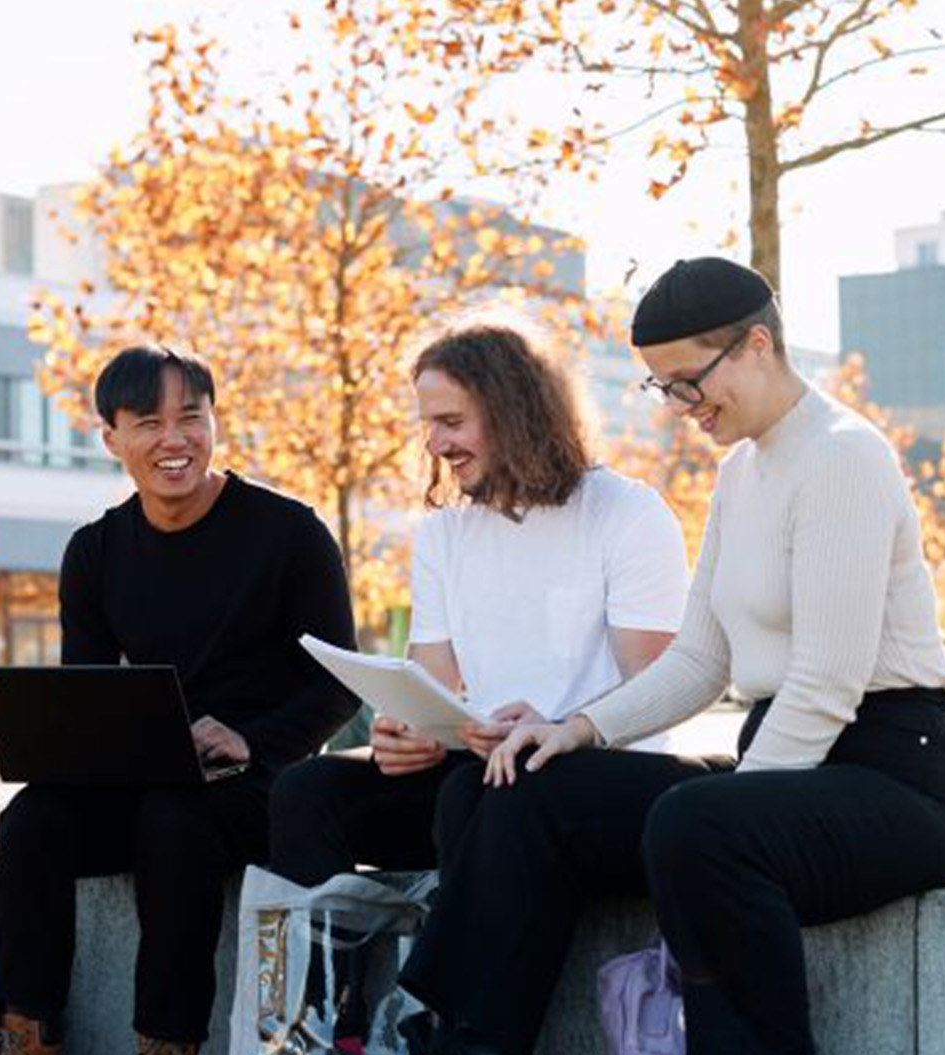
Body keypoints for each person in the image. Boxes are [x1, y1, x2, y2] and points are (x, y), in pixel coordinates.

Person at [331, 258, 945, 1055]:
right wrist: (573, 729)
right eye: (661, 386)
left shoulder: (844, 455)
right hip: (792, 758)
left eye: (689, 381)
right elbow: (699, 663)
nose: (680, 404)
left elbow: (831, 682)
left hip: (898, 776)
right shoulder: (743, 474)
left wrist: (735, 802)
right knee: (524, 780)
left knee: (701, 821)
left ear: (756, 344)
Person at [0, 346, 358, 1055]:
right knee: (34, 819)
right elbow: (88, 690)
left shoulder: (289, 533)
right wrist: (73, 744)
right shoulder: (95, 550)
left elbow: (339, 681)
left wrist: (251, 741)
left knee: (173, 818)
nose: (174, 438)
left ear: (215, 421)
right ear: (111, 437)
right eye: (148, 422)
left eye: (192, 416)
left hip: (260, 782)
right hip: (146, 774)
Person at [267, 320, 689, 890]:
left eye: (452, 422)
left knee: (477, 792)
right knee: (307, 790)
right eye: (430, 426)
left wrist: (565, 725)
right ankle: (329, 976)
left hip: (591, 767)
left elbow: (658, 686)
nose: (437, 445)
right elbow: (429, 684)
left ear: (515, 414)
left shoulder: (627, 513)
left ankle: (431, 977)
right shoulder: (445, 533)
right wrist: (404, 732)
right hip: (481, 766)